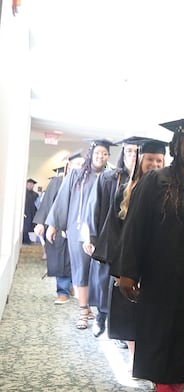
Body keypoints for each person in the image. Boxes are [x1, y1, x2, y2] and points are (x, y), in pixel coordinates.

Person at [117, 115, 184, 391]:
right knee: (167, 348)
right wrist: (127, 272)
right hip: (164, 281)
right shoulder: (156, 181)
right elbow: (135, 228)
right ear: (176, 147)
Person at [99, 138, 167, 368]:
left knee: (153, 317)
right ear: (141, 161)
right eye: (150, 159)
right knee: (130, 314)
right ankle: (134, 360)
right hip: (129, 263)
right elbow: (114, 232)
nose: (155, 164)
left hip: (158, 264)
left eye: (159, 160)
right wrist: (122, 269)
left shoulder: (171, 190)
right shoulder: (125, 191)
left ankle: (150, 362)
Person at [46, 140, 113, 329]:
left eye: (105, 154)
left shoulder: (111, 177)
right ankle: (84, 311)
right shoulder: (77, 175)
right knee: (81, 269)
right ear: (91, 154)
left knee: (101, 272)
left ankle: (101, 311)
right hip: (78, 230)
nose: (101, 156)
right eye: (98, 152)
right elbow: (62, 199)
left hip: (102, 232)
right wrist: (53, 225)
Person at [88, 138, 138, 338]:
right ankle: (100, 317)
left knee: (124, 284)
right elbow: (96, 208)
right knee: (103, 281)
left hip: (131, 241)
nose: (133, 156)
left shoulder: (148, 180)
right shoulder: (109, 178)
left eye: (136, 152)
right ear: (122, 155)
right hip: (109, 239)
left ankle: (120, 328)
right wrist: (92, 238)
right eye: (128, 152)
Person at [33, 152, 84, 303]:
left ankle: (71, 285)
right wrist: (41, 223)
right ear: (69, 166)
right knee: (60, 259)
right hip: (59, 227)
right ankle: (62, 291)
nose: (80, 167)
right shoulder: (57, 181)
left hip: (77, 229)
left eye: (83, 165)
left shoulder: (86, 182)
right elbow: (47, 203)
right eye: (77, 164)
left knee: (76, 259)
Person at [23, 179, 39, 244]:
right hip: (25, 213)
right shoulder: (23, 193)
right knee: (25, 227)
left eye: (32, 185)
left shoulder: (36, 194)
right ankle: (26, 240)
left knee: (30, 226)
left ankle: (26, 240)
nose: (30, 186)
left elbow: (37, 204)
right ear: (26, 185)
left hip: (33, 213)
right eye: (29, 184)